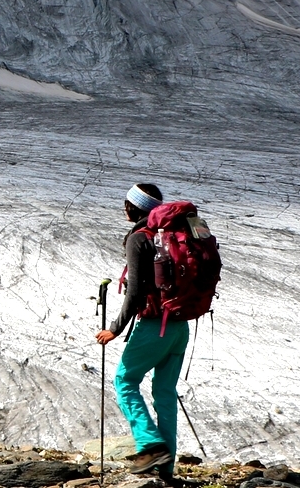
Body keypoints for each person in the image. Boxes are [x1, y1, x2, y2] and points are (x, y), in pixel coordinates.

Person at [94, 183, 187, 481]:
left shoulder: (139, 238)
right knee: (165, 393)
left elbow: (134, 292)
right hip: (179, 326)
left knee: (125, 381)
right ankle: (165, 470)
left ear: (133, 207)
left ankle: (149, 445)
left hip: (154, 326)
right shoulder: (172, 235)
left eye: (126, 203)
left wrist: (114, 329)